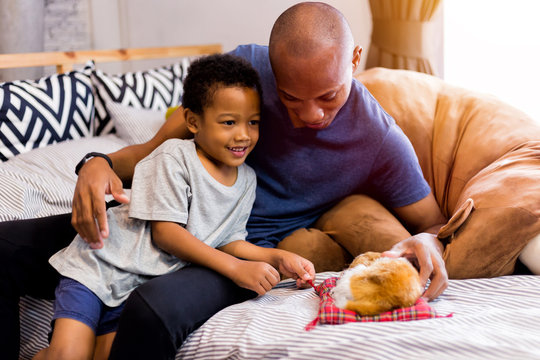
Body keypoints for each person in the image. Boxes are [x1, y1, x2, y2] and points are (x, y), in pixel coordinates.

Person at [0, 2, 449, 359]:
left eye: (329, 96)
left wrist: (430, 242)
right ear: (272, 70)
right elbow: (155, 148)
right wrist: (96, 162)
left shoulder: (379, 139)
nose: (311, 115)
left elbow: (432, 222)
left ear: (355, 59)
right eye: (292, 99)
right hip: (158, 218)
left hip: (233, 249)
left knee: (151, 312)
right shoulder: (246, 73)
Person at [33, 53, 315, 360]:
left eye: (253, 122)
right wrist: (235, 269)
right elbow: (166, 234)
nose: (243, 134)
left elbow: (229, 241)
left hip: (137, 285)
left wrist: (277, 257)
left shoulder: (246, 179)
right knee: (69, 356)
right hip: (100, 265)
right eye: (229, 122)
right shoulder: (173, 157)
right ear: (193, 122)